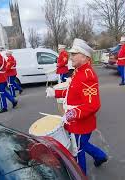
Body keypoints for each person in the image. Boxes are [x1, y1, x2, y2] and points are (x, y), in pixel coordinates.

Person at [46, 38, 108, 175]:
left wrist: (72, 114)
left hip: (81, 124)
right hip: (74, 122)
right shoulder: (78, 71)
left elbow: (93, 105)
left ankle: (80, 175)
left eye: (74, 54)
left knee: (77, 150)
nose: (70, 56)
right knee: (82, 145)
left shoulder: (88, 76)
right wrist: (54, 93)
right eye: (71, 54)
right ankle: (100, 156)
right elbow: (71, 92)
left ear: (85, 56)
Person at [0, 44, 17, 113]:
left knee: (1, 93)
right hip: (4, 77)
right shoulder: (2, 58)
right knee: (4, 91)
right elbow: (5, 67)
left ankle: (4, 107)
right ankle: (13, 100)